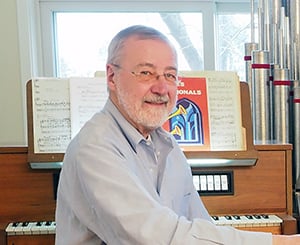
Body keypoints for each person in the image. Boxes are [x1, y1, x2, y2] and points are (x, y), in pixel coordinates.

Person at [55, 25, 300, 245]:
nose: (161, 88)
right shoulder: (94, 146)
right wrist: (280, 244)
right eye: (145, 73)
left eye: (170, 75)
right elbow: (156, 237)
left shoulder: (168, 145)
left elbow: (200, 225)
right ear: (111, 77)